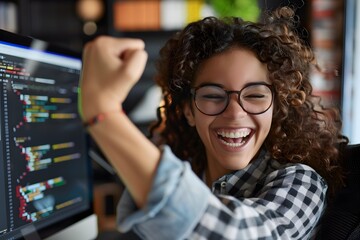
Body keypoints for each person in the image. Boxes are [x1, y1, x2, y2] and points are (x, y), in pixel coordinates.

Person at [79, 6, 347, 240]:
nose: (234, 113)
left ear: (276, 108)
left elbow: (238, 235)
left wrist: (104, 113)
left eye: (254, 95)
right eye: (212, 96)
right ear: (188, 111)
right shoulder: (189, 172)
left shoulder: (302, 183)